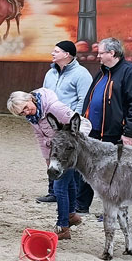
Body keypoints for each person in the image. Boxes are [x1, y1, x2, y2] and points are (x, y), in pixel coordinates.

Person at [8, 89, 90, 239]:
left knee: (59, 186)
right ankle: (71, 215)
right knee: (68, 182)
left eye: (26, 108)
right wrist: (47, 159)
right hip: (57, 154)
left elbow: (82, 123)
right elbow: (40, 138)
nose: (26, 113)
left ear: (31, 99)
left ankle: (62, 226)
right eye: (22, 113)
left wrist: (74, 144)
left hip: (68, 152)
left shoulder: (54, 108)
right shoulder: (34, 117)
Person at [75, 37, 132, 214]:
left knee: (113, 173)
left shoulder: (130, 72)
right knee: (89, 168)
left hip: (113, 132)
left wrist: (129, 132)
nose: (98, 56)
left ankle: (113, 210)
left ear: (112, 53)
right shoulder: (103, 72)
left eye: (101, 52)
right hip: (94, 130)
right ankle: (82, 204)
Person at [36, 40, 93, 203]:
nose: (52, 53)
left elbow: (84, 98)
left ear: (67, 55)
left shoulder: (82, 74)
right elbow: (43, 95)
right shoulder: (50, 74)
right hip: (52, 122)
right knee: (52, 154)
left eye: (56, 51)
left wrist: (75, 121)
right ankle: (53, 191)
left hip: (70, 124)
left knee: (70, 158)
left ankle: (70, 194)